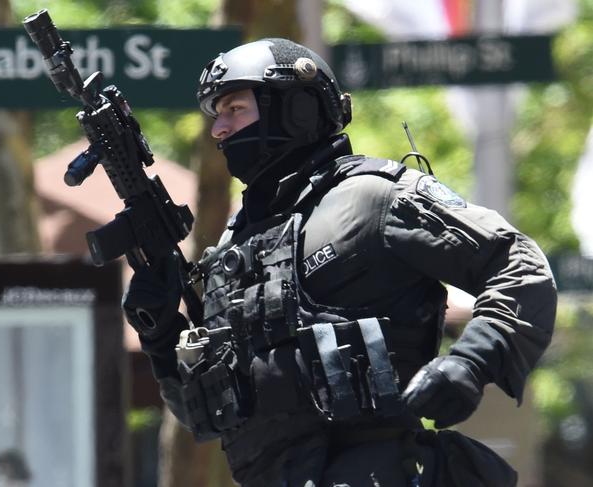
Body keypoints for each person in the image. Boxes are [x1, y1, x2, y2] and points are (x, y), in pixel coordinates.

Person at [122, 38, 557, 487]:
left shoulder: (370, 199)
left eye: (235, 109)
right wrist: (160, 333)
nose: (219, 130)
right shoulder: (234, 248)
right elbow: (207, 415)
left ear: (294, 109)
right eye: (217, 115)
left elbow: (518, 264)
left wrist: (472, 360)